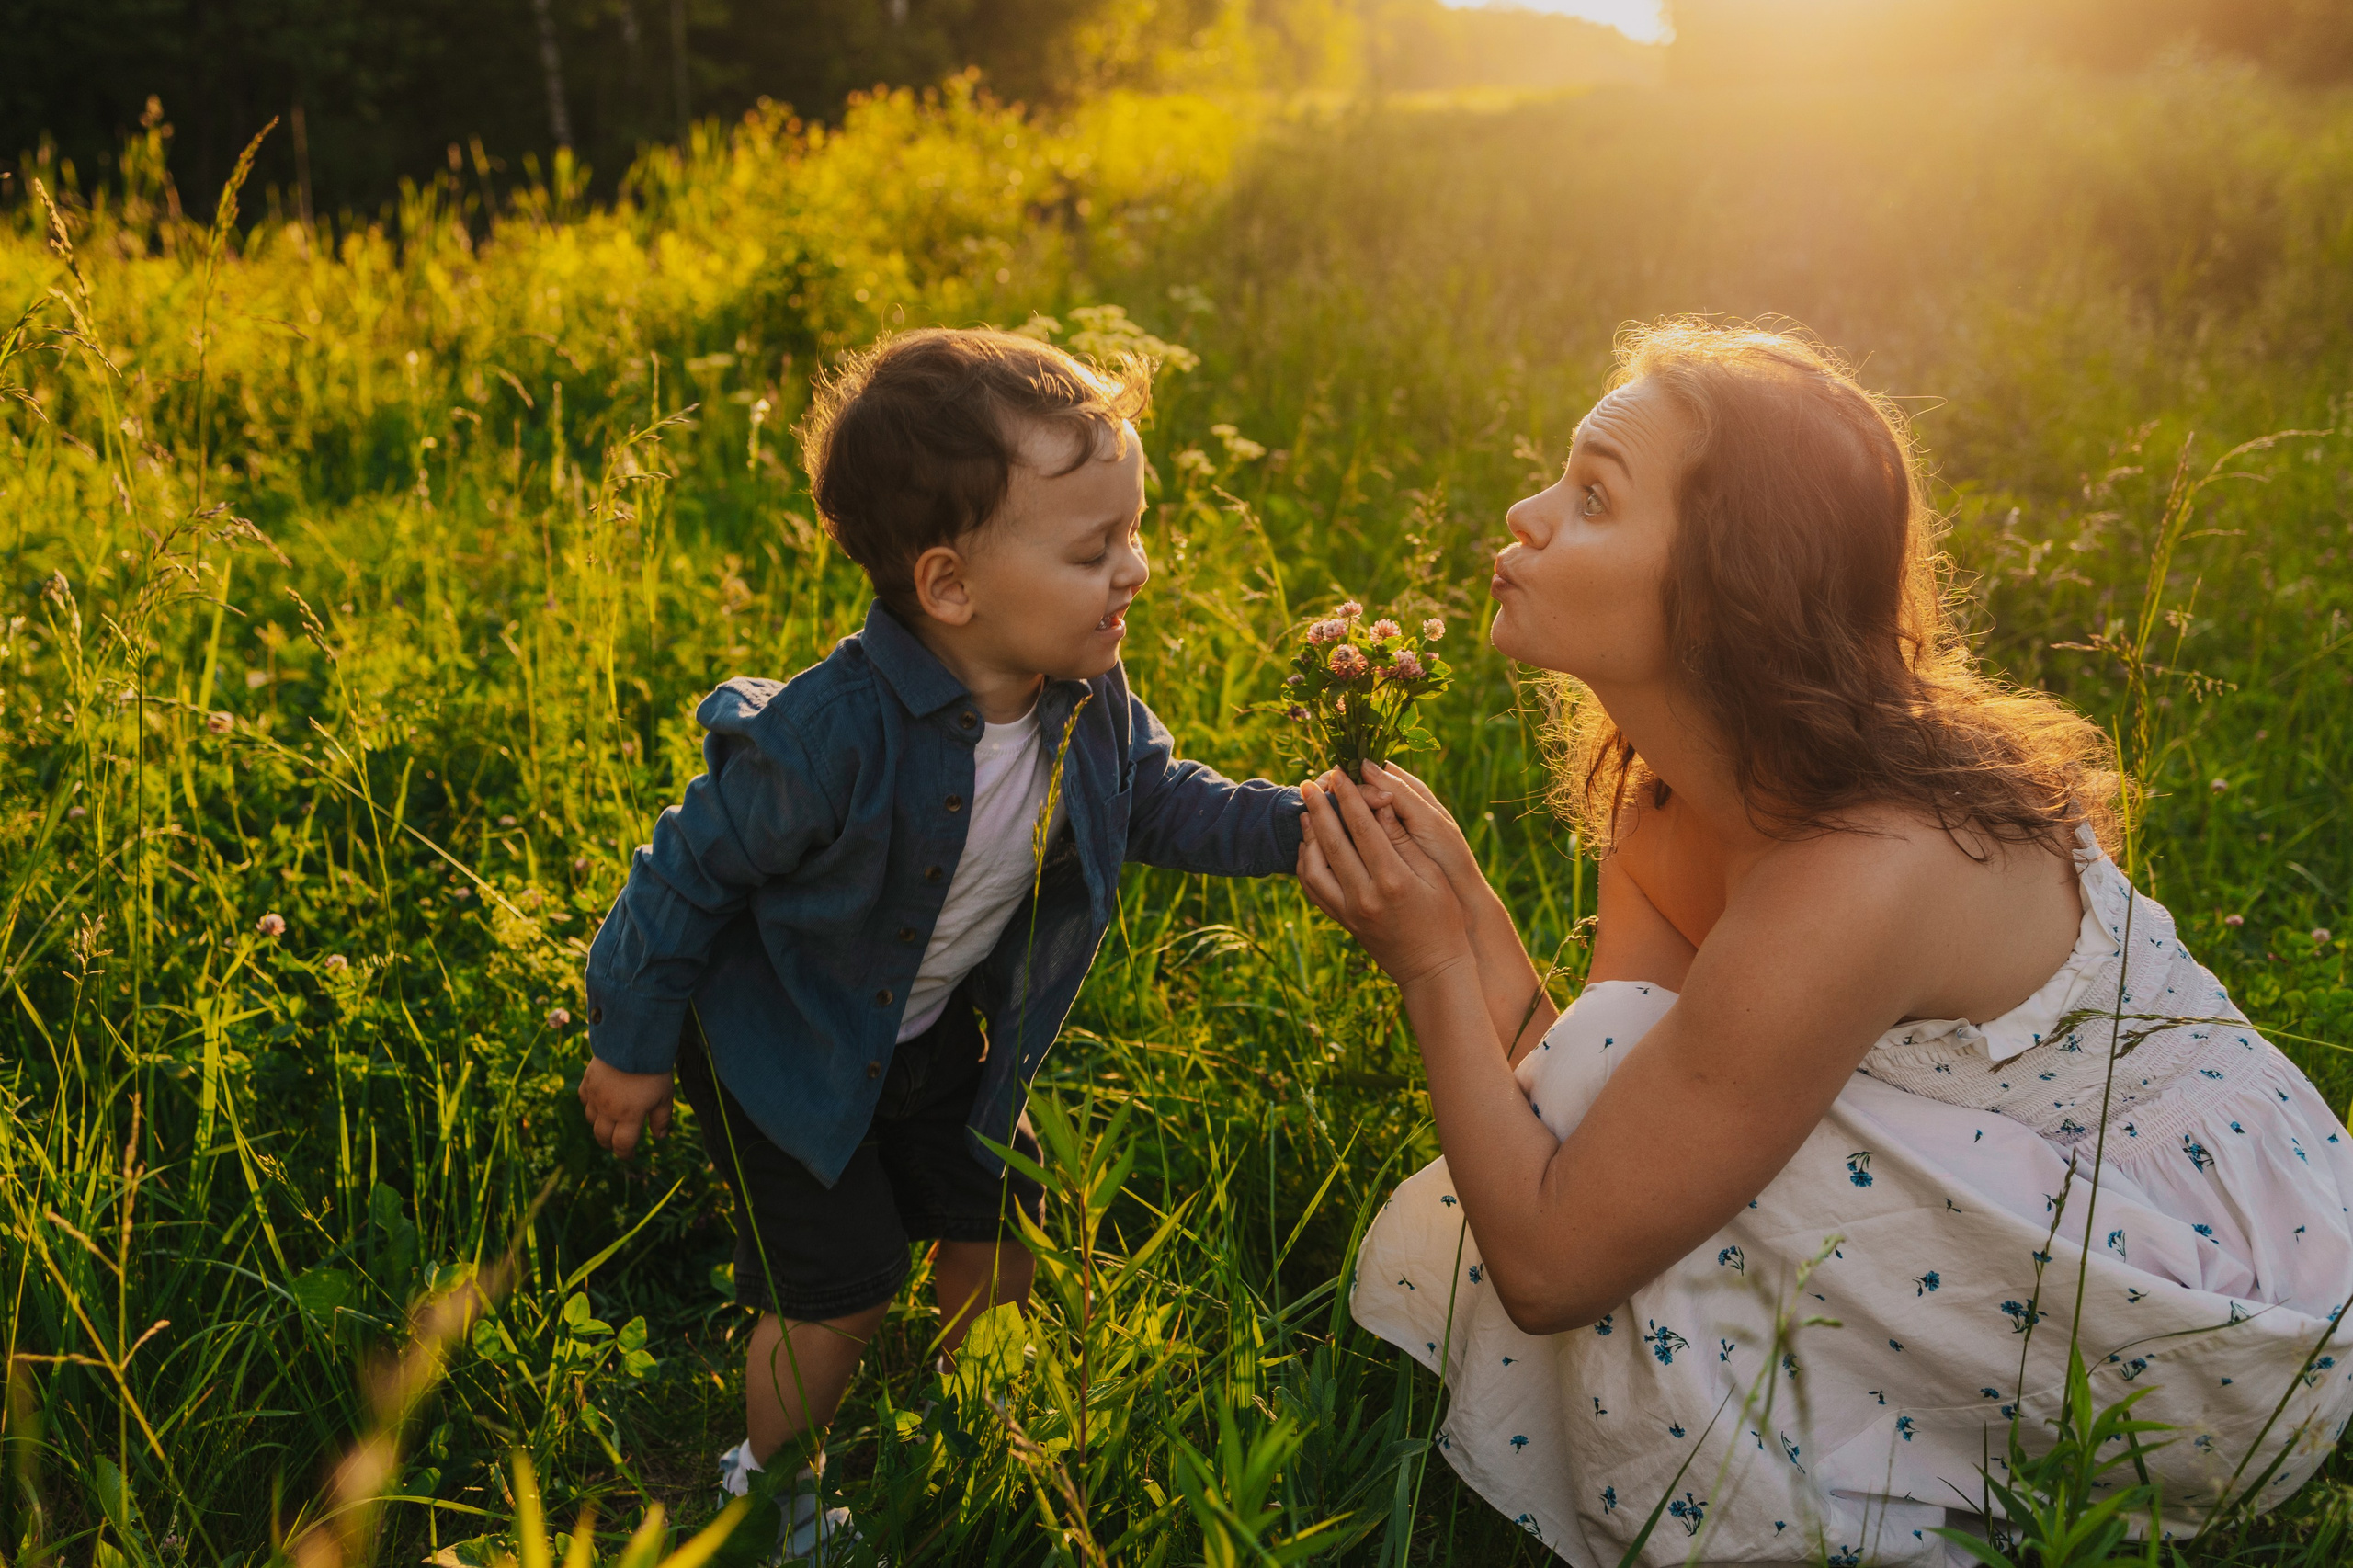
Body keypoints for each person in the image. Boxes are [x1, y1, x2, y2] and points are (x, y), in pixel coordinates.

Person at [1302, 320, 2353, 1564]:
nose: (1526, 517)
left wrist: (1432, 968)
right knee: (1622, 1061)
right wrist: (1464, 908)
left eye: (1593, 498)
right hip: (2051, 1231)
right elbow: (1601, 1104)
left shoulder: (1864, 868)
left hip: (2209, 1319)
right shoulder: (1668, 794)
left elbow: (1551, 1266)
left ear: (1725, 592)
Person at [575, 327, 1302, 1558]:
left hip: (929, 1034)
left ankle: (978, 1413)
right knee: (840, 1286)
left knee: (1004, 1214)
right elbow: (683, 871)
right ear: (951, 587)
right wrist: (631, 1044)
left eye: (1133, 532)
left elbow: (1160, 799)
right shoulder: (829, 738)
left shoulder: (1087, 699)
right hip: (786, 1049)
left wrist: (1302, 828)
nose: (1135, 569)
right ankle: (770, 1483)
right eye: (1093, 550)